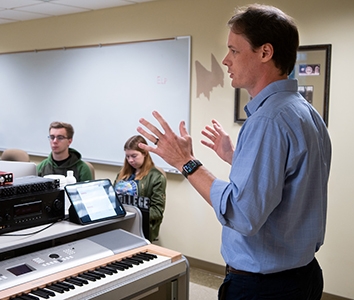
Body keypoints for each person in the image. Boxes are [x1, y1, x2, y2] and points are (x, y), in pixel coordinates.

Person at [137, 4, 331, 300]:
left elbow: (243, 215)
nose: (226, 61)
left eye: (234, 51)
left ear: (265, 52)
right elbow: (287, 182)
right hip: (302, 277)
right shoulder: (304, 112)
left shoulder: (268, 120)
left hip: (265, 288)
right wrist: (236, 157)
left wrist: (185, 162)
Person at [114, 135, 166, 242]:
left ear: (145, 153)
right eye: (127, 157)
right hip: (119, 222)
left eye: (134, 156)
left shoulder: (156, 177)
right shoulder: (123, 174)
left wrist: (132, 214)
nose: (130, 160)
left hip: (139, 226)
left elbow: (157, 211)